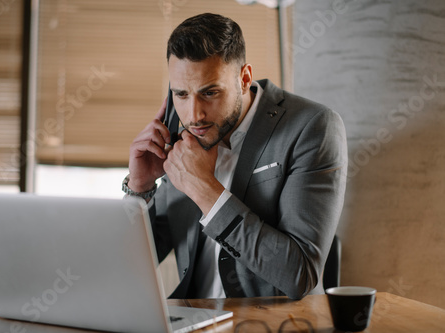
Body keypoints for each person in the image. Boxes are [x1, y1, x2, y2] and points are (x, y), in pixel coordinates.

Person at [123, 13, 347, 300]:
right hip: (192, 320)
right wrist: (139, 188)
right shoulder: (182, 141)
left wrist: (203, 189)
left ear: (244, 79)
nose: (194, 115)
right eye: (181, 94)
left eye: (210, 92)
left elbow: (298, 275)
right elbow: (130, 265)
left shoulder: (312, 127)